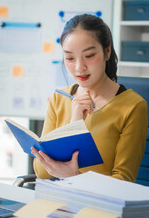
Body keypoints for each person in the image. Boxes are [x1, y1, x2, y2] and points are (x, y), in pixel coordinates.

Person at [31, 14, 148, 182]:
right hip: (57, 200)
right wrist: (74, 123)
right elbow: (42, 172)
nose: (79, 67)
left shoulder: (133, 106)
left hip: (100, 207)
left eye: (89, 56)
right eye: (70, 58)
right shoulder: (59, 98)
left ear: (107, 52)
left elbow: (123, 181)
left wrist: (75, 177)